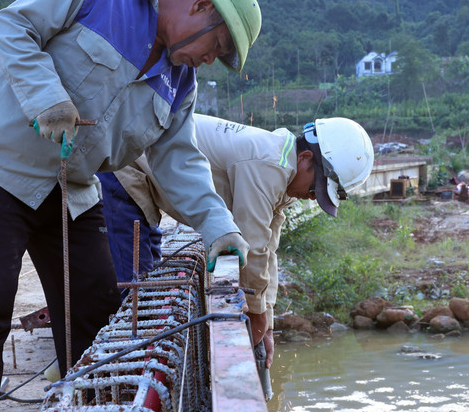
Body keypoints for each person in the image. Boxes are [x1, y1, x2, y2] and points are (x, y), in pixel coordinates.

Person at [0, 0, 260, 412]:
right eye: (217, 47)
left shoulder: (178, 84)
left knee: (92, 312)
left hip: (71, 189)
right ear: (200, 5)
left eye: (219, 59)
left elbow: (178, 162)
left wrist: (219, 227)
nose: (210, 60)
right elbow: (10, 26)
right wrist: (46, 95)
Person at [98, 114, 375, 377]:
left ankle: (142, 363)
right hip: (127, 165)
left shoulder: (284, 167)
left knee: (147, 286)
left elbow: (269, 250)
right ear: (305, 158)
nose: (312, 198)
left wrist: (267, 320)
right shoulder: (268, 165)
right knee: (134, 292)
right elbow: (251, 245)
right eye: (315, 189)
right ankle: (122, 371)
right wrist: (255, 314)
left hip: (147, 175)